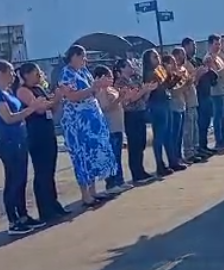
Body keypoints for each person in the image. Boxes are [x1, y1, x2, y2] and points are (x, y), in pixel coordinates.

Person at [0, 60, 49, 235]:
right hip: (8, 141)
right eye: (10, 72)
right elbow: (9, 118)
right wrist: (32, 108)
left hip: (20, 139)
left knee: (21, 179)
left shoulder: (7, 93)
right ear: (0, 73)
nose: (14, 75)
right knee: (13, 180)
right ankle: (13, 220)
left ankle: (23, 216)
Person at [59, 45, 117, 207]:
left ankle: (93, 191)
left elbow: (93, 91)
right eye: (82, 56)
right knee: (82, 156)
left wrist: (101, 87)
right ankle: (85, 195)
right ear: (74, 56)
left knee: (92, 155)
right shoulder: (66, 74)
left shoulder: (84, 72)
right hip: (78, 123)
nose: (85, 60)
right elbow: (71, 96)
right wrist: (93, 88)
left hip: (92, 121)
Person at [14, 63, 70, 222]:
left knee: (50, 170)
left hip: (47, 130)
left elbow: (50, 108)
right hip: (35, 133)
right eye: (36, 73)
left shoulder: (39, 88)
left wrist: (57, 99)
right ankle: (45, 209)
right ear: (26, 74)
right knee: (42, 172)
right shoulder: (23, 90)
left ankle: (53, 203)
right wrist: (54, 100)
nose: (40, 75)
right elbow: (38, 108)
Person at [113, 58, 156, 184]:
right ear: (122, 68)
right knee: (134, 144)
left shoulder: (133, 80)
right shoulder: (120, 83)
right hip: (130, 115)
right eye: (129, 66)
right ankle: (136, 173)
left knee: (141, 142)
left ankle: (141, 170)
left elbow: (142, 98)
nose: (132, 68)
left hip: (140, 112)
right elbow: (128, 100)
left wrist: (147, 91)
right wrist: (143, 91)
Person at [142, 49, 182, 176]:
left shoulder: (160, 69)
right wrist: (167, 79)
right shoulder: (149, 73)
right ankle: (160, 165)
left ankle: (173, 161)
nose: (158, 58)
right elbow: (158, 87)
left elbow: (168, 85)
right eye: (154, 57)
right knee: (159, 135)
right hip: (157, 104)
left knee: (169, 134)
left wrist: (174, 76)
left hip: (166, 102)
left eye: (157, 56)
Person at [92, 65, 127, 193]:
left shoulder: (111, 89)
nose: (111, 79)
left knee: (117, 156)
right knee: (112, 156)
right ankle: (111, 183)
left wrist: (125, 97)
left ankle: (120, 180)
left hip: (118, 126)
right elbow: (105, 108)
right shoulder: (101, 91)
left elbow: (120, 103)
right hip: (110, 127)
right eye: (108, 77)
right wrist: (119, 98)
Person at [173, 46, 205, 163]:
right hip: (185, 102)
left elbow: (192, 83)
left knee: (194, 128)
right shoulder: (177, 70)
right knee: (188, 129)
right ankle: (188, 152)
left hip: (192, 100)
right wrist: (190, 80)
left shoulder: (184, 68)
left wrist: (195, 77)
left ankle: (195, 149)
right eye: (181, 54)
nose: (184, 56)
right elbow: (180, 87)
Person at [163, 53, 191, 170]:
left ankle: (178, 157)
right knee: (174, 135)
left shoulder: (175, 74)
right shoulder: (167, 77)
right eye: (172, 62)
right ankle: (173, 159)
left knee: (179, 135)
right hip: (173, 108)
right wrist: (186, 85)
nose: (175, 64)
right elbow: (174, 92)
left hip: (181, 105)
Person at [206, 35, 224, 150]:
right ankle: (219, 139)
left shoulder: (218, 58)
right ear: (210, 45)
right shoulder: (209, 58)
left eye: (219, 44)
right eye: (216, 44)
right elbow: (215, 74)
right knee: (218, 117)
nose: (218, 46)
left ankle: (223, 137)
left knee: (223, 116)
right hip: (217, 92)